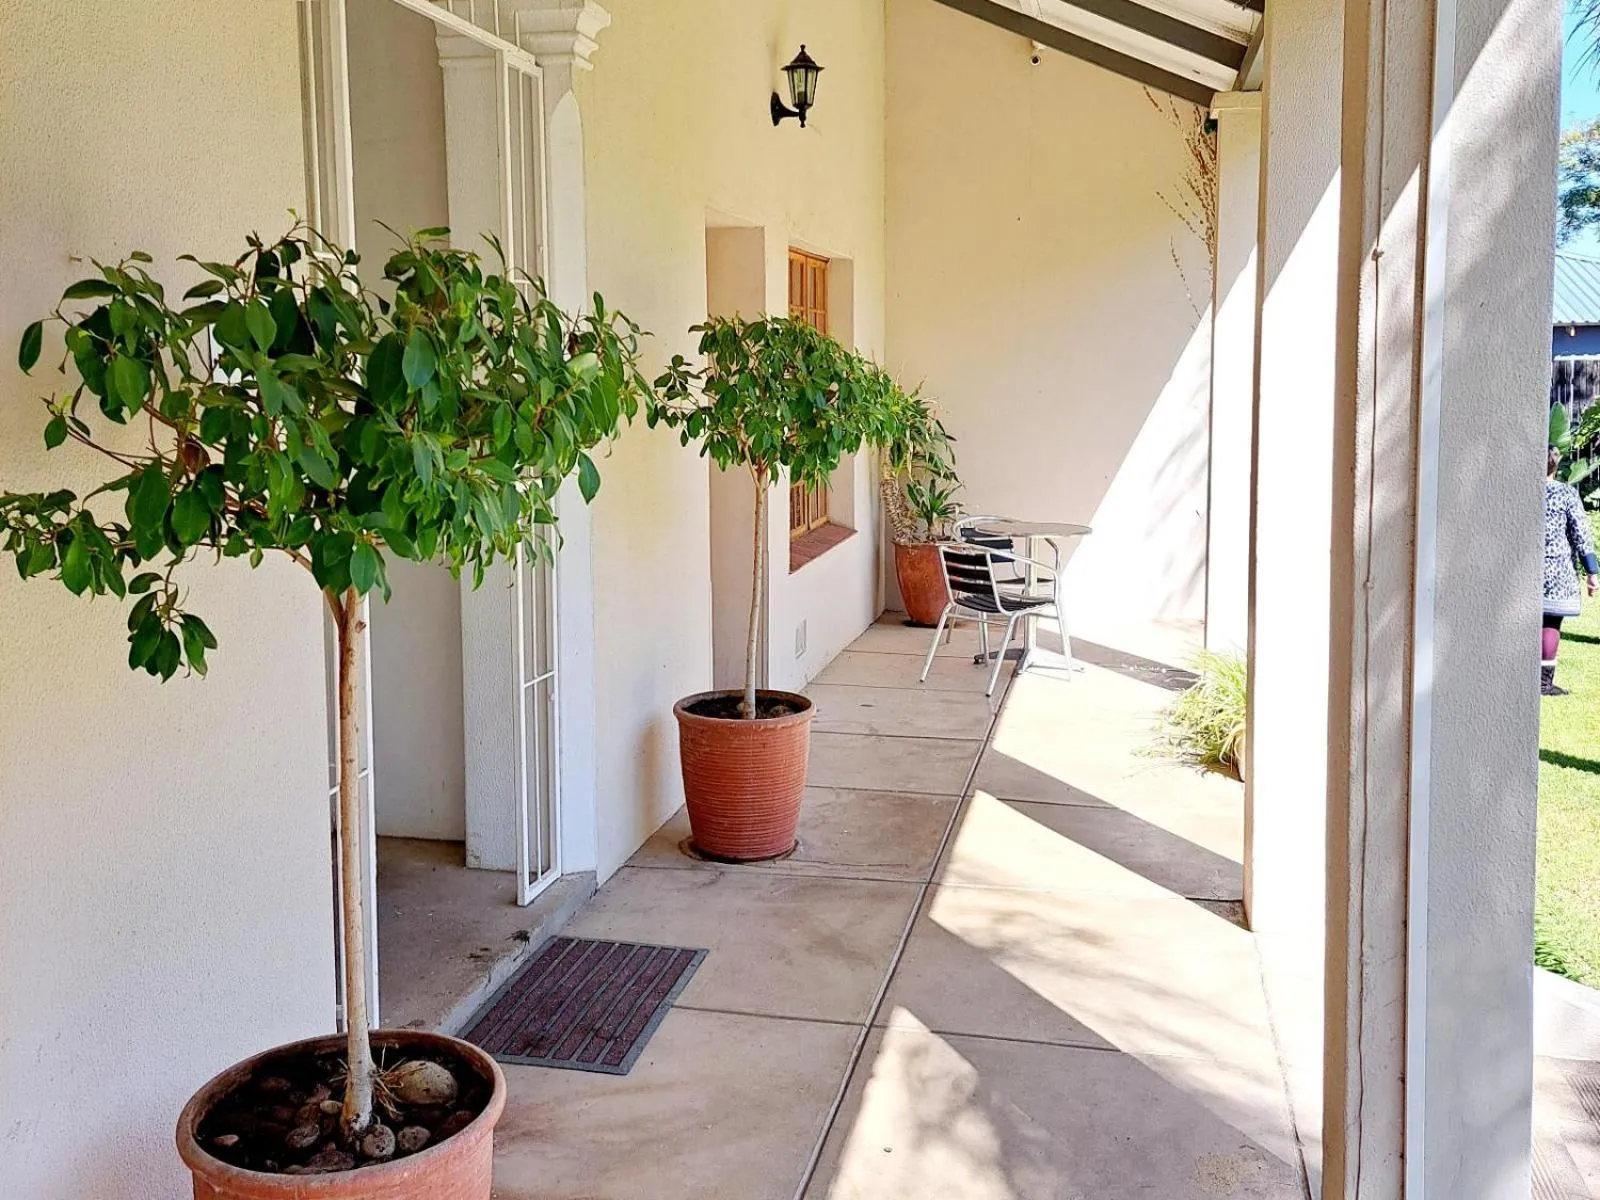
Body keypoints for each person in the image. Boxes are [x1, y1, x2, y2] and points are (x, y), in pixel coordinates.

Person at [1543, 444, 1598, 696]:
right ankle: (1544, 683)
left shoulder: (1521, 494)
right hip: (1558, 575)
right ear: (1556, 464)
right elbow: (1581, 536)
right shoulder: (1566, 494)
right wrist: (1591, 573)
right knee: (1551, 623)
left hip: (1523, 575)